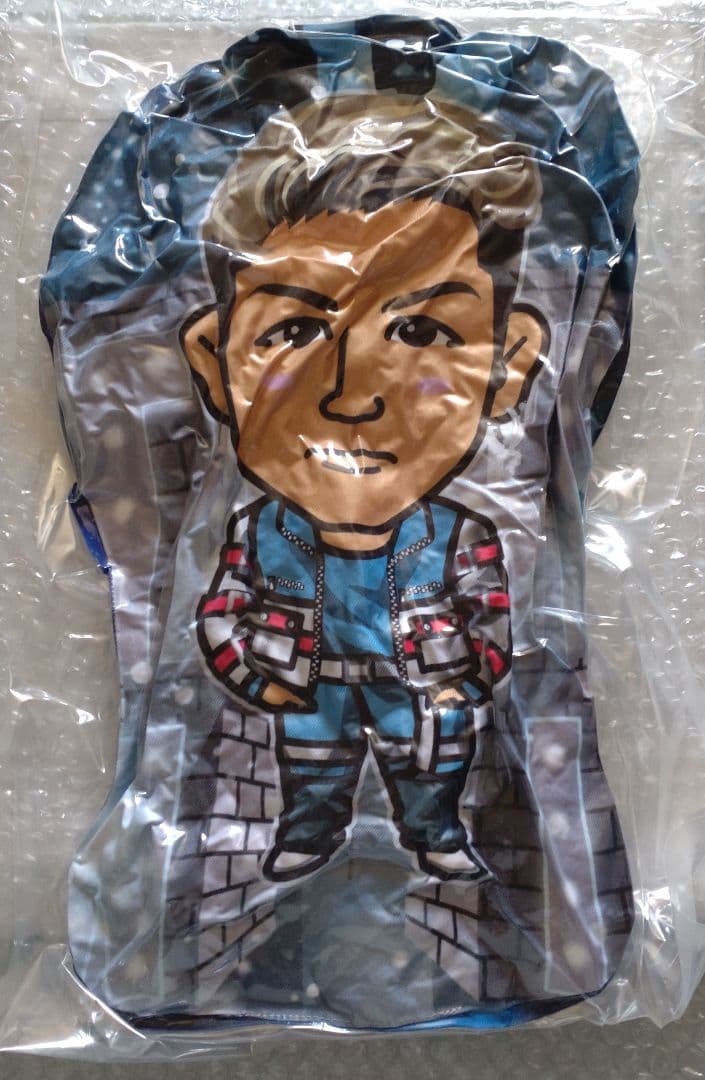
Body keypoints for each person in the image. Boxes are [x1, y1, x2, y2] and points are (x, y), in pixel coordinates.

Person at [180, 94, 547, 884]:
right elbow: (221, 614)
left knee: (430, 767)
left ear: (508, 364)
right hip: (308, 692)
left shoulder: (460, 537)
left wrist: (467, 682)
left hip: (418, 690)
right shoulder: (258, 534)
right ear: (213, 361)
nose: (352, 395)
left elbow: (488, 612)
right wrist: (256, 679)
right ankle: (307, 834)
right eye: (294, 331)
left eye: (421, 331)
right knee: (311, 771)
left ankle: (434, 833)